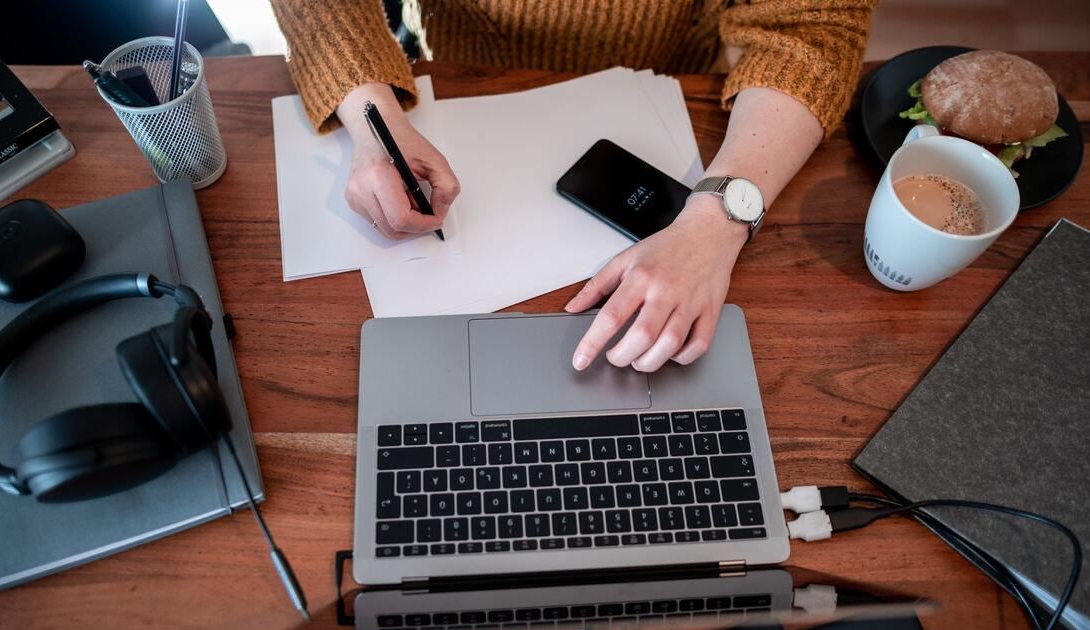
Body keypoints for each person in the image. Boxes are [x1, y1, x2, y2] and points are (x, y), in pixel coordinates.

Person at [270, 0, 876, 372]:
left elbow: (811, 28)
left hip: (678, 79)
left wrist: (718, 218)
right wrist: (369, 110)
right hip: (448, 68)